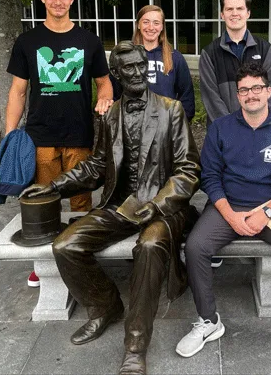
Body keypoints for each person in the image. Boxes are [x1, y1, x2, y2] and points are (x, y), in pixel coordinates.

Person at [21, 41, 200, 375]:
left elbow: (188, 170)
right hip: (120, 205)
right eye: (127, 68)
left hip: (163, 207)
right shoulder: (111, 114)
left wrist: (159, 204)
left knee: (149, 244)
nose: (135, 72)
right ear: (115, 74)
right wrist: (54, 185)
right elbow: (97, 166)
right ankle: (105, 307)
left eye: (139, 65)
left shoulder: (171, 110)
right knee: (66, 244)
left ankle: (135, 345)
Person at [177, 62, 271, 359]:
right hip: (227, 206)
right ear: (238, 95)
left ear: (268, 91)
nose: (251, 94)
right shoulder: (221, 128)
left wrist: (267, 213)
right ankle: (209, 322)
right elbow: (209, 177)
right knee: (195, 247)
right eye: (244, 89)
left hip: (270, 208)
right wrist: (230, 215)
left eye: (256, 88)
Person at [5, 0, 114, 288]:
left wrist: (104, 101)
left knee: (81, 203)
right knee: (43, 202)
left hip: (79, 135)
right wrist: (11, 134)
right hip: (40, 137)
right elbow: (17, 92)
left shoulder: (88, 40)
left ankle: (81, 255)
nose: (57, 1)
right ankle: (43, 263)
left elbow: (104, 83)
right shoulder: (28, 42)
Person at [198, 0, 271, 126]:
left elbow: (268, 92)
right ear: (222, 14)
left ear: (248, 13)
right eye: (229, 9)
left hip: (257, 129)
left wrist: (252, 122)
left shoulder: (266, 50)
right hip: (222, 132)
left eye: (240, 8)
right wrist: (233, 127)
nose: (234, 13)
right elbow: (211, 98)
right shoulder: (209, 54)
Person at [132, 5, 195, 121]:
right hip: (134, 125)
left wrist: (180, 123)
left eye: (156, 23)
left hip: (166, 125)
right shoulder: (128, 56)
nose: (151, 27)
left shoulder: (174, 57)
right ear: (138, 25)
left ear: (162, 27)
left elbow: (187, 96)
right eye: (146, 22)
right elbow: (116, 94)